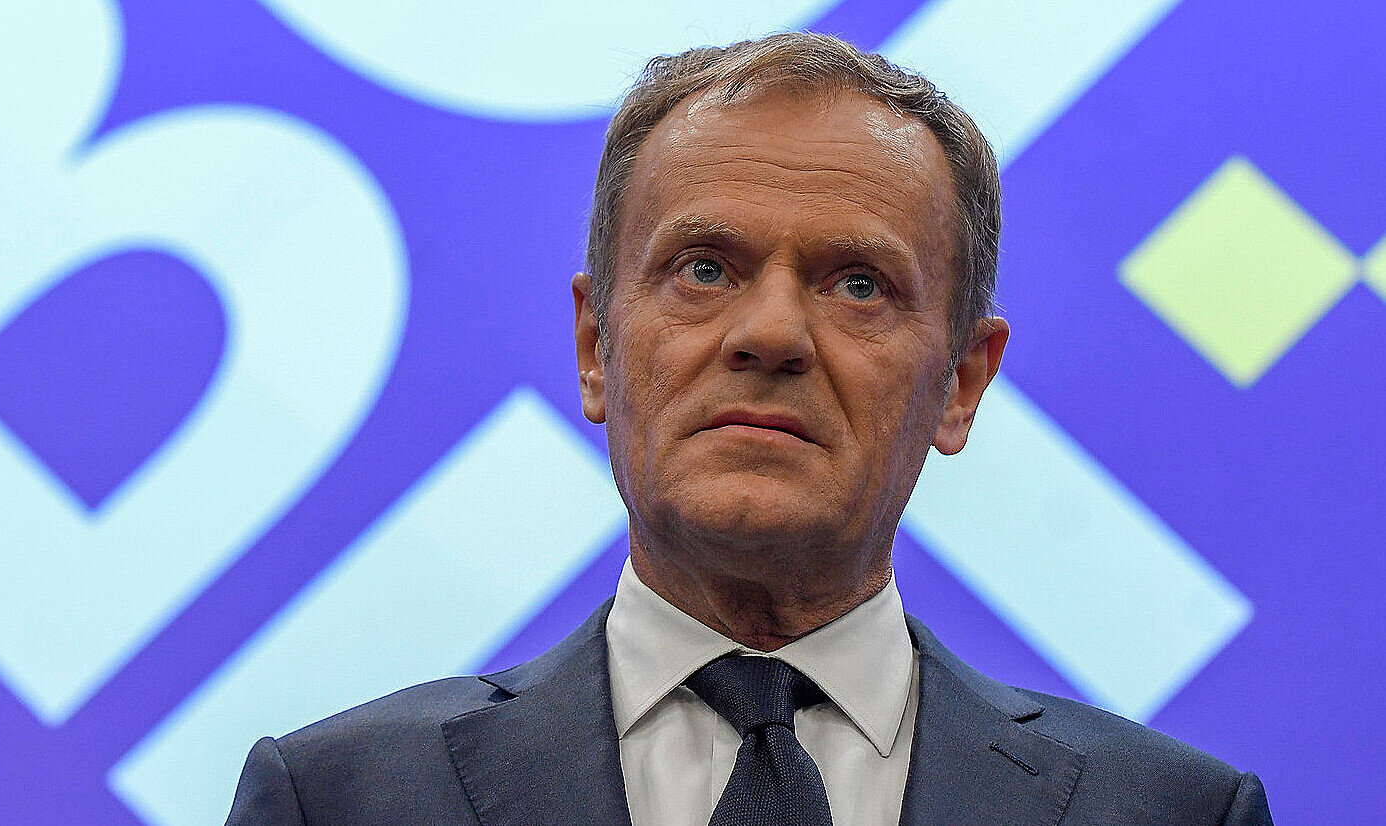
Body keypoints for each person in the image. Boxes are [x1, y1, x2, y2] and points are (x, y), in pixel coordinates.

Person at [224, 32, 1273, 826]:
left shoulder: (1173, 813)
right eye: (705, 269)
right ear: (595, 346)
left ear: (962, 382)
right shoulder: (339, 799)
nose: (770, 334)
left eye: (858, 284)